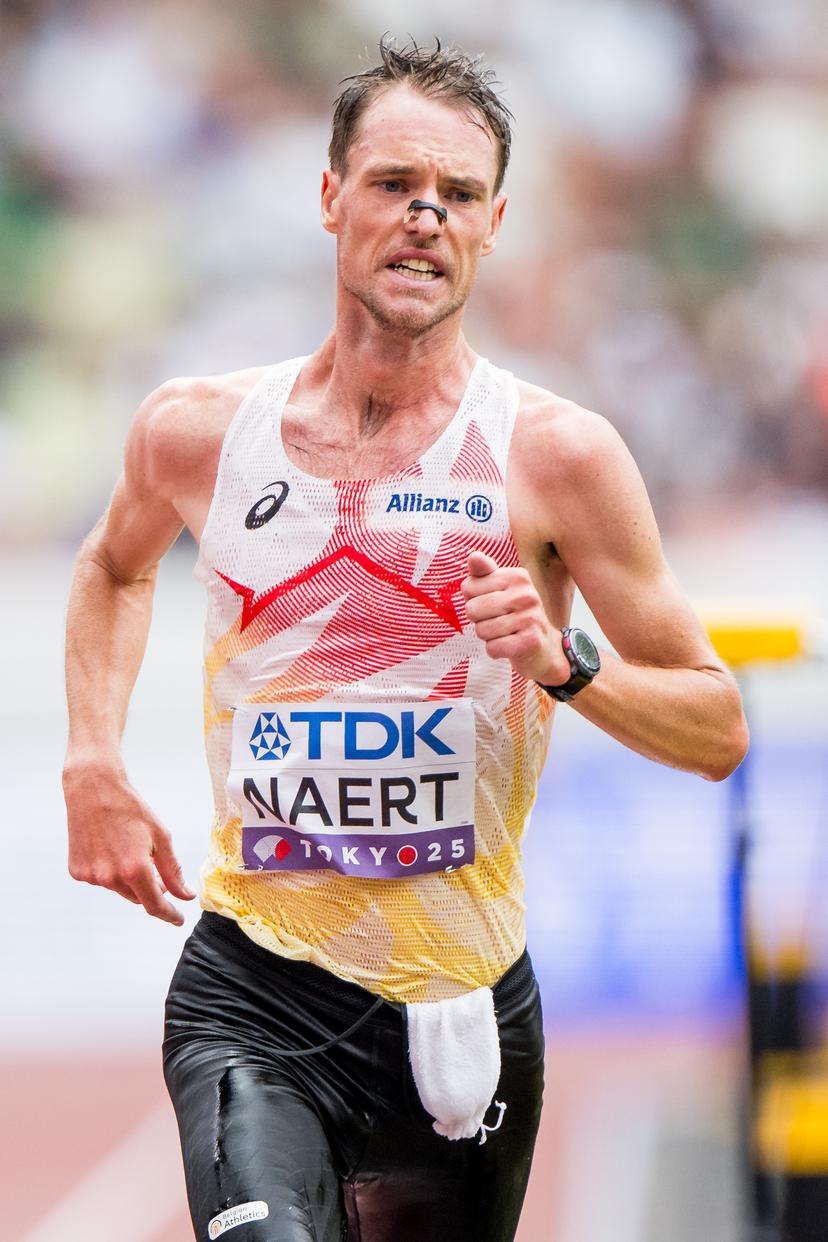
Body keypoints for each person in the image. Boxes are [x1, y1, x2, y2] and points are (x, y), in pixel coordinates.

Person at [63, 36, 749, 1242]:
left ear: (494, 226)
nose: (426, 217)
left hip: (463, 1009)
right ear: (331, 198)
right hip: (255, 984)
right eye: (394, 184)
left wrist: (567, 664)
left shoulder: (556, 456)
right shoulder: (198, 433)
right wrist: (92, 760)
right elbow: (112, 568)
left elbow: (717, 726)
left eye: (459, 194)